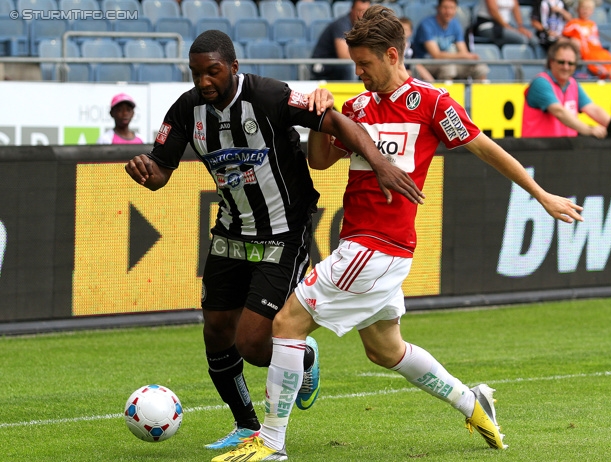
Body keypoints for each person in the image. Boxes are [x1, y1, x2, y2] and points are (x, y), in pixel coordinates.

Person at [212, 6, 584, 461]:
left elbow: (485, 148)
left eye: (365, 64)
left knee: (287, 323)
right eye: (354, 64)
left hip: (378, 246)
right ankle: (473, 402)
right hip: (363, 243)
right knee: (386, 351)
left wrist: (541, 194)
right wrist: (319, 111)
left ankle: (270, 442)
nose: (359, 72)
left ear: (392, 55)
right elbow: (320, 159)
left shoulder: (432, 103)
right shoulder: (357, 106)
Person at [124, 29, 424, 452]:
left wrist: (379, 164)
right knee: (216, 331)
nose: (204, 81)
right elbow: (160, 170)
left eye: (213, 72)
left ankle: (305, 358)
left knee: (251, 342)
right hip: (230, 229)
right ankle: (246, 425)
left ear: (233, 67)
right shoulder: (187, 110)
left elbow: (336, 121)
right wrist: (144, 171)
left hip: (284, 230)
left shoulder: (269, 96)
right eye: (196, 74)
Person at [522, 40, 611, 138]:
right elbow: (558, 111)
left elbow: (592, 109)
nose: (566, 67)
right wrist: (588, 129)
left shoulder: (573, 84)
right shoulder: (541, 83)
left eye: (571, 63)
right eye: (561, 62)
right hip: (537, 151)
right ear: (551, 62)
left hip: (564, 150)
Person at [562, 0, 611, 81]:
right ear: (577, 9)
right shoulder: (573, 23)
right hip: (589, 56)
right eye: (583, 8)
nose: (585, 11)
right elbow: (564, 38)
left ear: (592, 11)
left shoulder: (592, 24)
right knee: (610, 72)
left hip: (600, 52)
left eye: (588, 8)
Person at [413, 0, 489, 81]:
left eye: (452, 8)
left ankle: (481, 93)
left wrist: (466, 56)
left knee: (479, 67)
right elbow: (436, 55)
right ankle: (447, 93)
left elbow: (463, 51)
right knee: (448, 67)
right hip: (427, 63)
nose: (448, 11)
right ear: (438, 8)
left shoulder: (455, 24)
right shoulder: (426, 25)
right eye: (445, 8)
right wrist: (464, 55)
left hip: (451, 62)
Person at [310, 0, 371, 81]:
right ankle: (352, 92)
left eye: (366, 12)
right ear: (351, 10)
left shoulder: (365, 27)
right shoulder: (341, 25)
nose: (362, 15)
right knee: (351, 67)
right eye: (359, 11)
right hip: (323, 65)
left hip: (337, 66)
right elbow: (344, 56)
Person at [473, 0, 538, 47]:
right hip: (488, 26)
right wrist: (507, 27)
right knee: (521, 39)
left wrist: (520, 27)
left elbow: (516, 8)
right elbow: (493, 10)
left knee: (534, 40)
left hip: (507, 26)